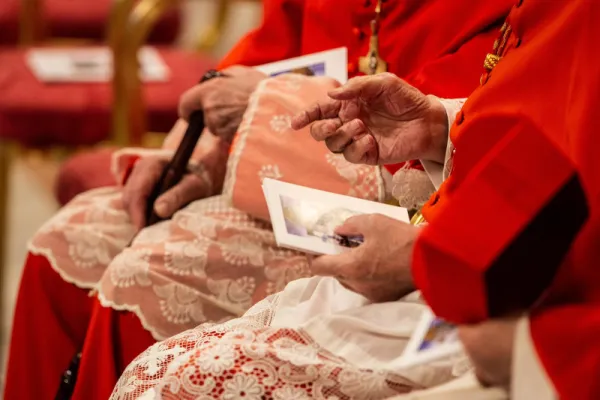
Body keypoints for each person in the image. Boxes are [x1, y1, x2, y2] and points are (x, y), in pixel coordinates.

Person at [4, 1, 514, 399]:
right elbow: (264, 55)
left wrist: (265, 105)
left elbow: (466, 136)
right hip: (266, 175)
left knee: (145, 276)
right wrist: (202, 152)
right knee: (69, 242)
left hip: (395, 208)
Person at [109, 0, 600, 399]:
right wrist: (439, 128)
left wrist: (416, 258)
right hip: (444, 231)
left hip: (517, 299)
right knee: (105, 241)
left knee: (152, 300)